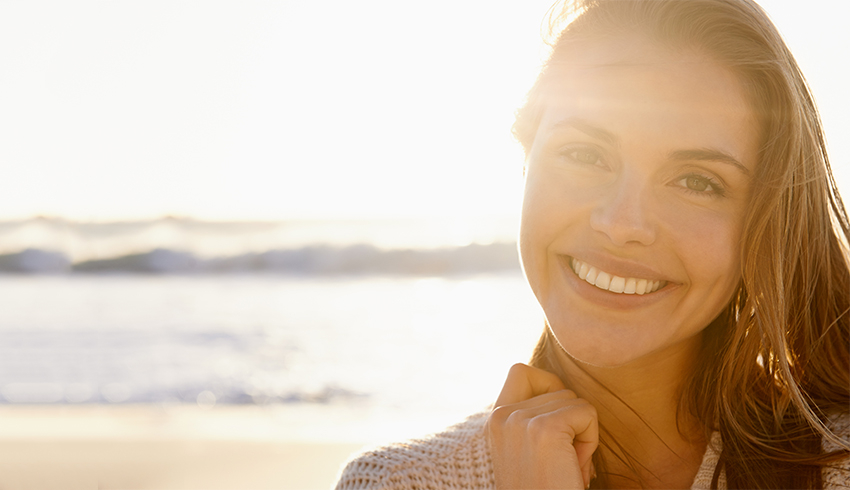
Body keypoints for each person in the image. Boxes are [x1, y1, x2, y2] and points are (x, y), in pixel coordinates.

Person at [334, 0, 850, 488]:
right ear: (526, 159)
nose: (621, 222)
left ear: (765, 221)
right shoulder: (397, 482)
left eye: (697, 181)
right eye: (584, 153)